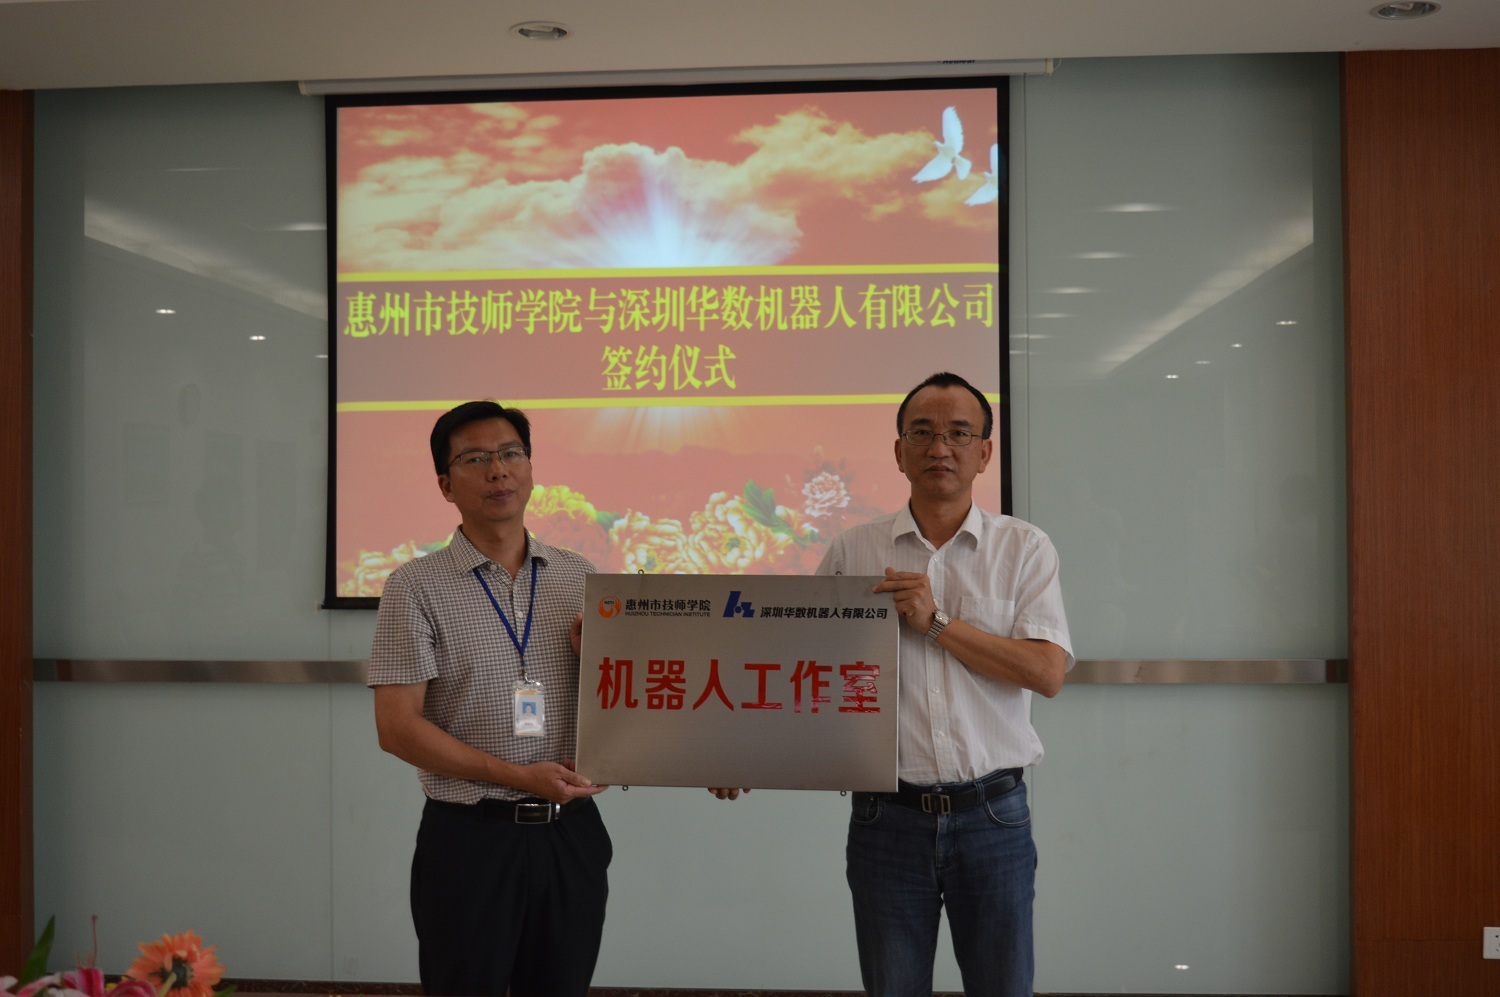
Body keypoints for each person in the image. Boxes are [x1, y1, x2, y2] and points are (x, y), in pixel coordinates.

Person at [816, 371, 1073, 997]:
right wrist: (737, 753)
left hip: (993, 817)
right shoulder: (853, 551)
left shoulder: (1023, 549)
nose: (940, 448)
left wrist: (936, 624)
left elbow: (1046, 673)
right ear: (898, 451)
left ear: (985, 452)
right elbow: (803, 666)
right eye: (922, 433)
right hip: (885, 818)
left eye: (959, 434)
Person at [368, 400, 610, 997]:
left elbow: (624, 694)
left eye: (510, 453)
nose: (498, 470)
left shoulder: (581, 576)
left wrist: (597, 662)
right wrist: (518, 777)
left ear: (530, 467)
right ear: (446, 485)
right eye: (475, 459)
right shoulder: (414, 587)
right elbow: (397, 728)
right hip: (469, 841)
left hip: (571, 835)